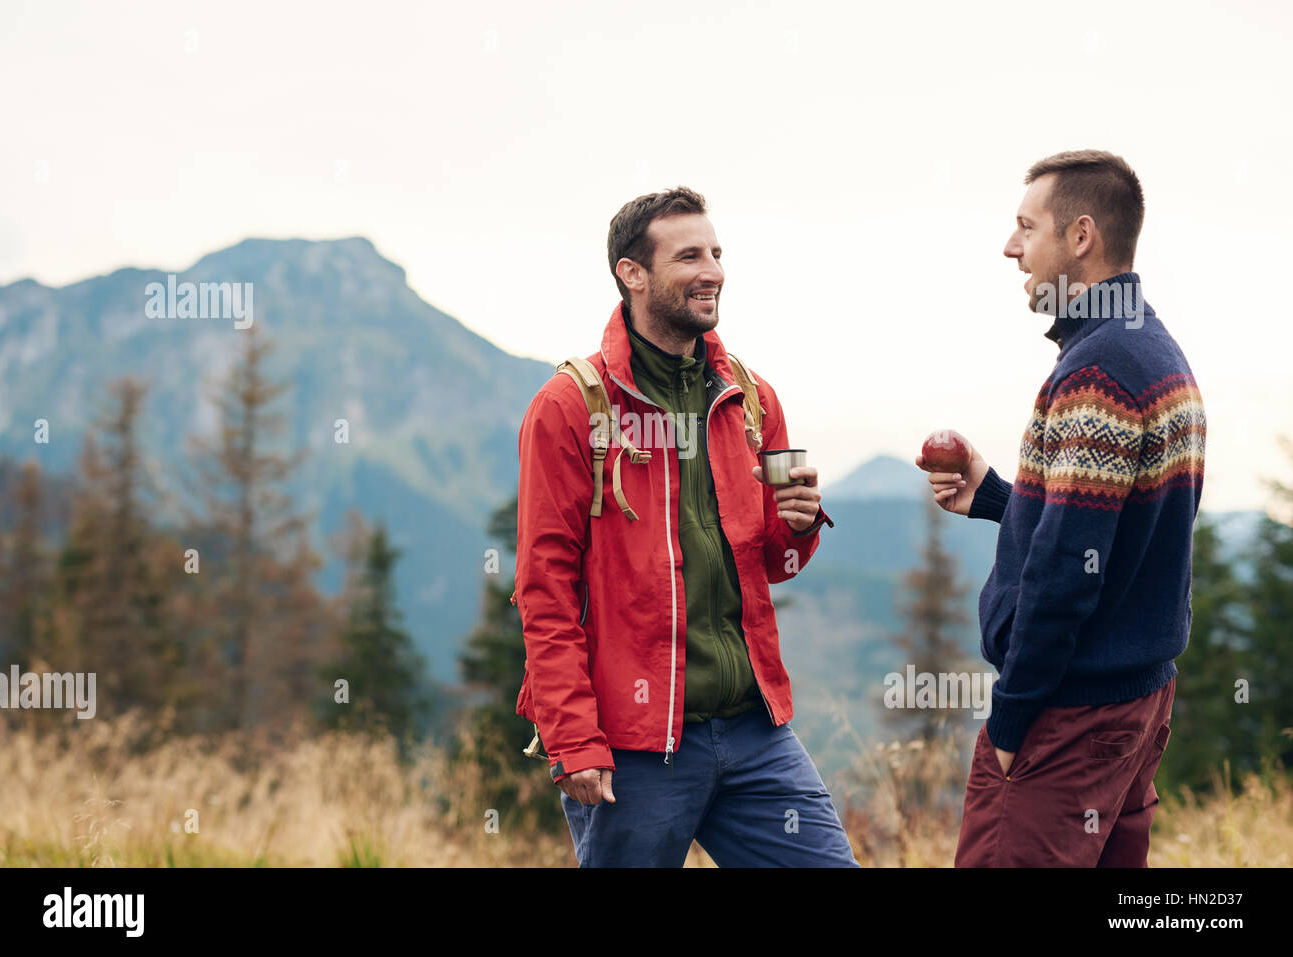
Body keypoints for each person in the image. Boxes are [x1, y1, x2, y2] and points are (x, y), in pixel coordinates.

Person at [513, 186, 857, 867]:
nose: (713, 271)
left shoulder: (750, 398)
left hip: (756, 732)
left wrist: (798, 527)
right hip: (635, 745)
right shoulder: (570, 406)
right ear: (632, 273)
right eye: (690, 255)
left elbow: (774, 564)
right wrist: (573, 736)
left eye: (718, 253)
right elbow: (543, 588)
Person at [917, 150, 1207, 867]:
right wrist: (993, 496)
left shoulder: (1097, 372)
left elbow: (1064, 577)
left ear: (1081, 237)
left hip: (1065, 720)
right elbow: (1112, 531)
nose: (1011, 247)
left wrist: (1012, 724)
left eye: (1026, 228)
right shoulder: (1154, 350)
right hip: (1134, 706)